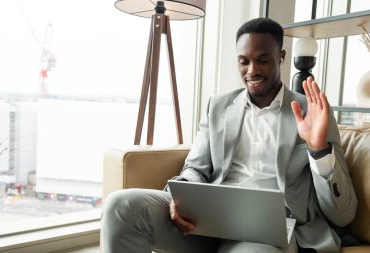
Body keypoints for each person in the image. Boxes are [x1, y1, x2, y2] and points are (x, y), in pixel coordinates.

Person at [101, 18, 358, 253]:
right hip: (207, 221)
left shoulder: (312, 114)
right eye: (244, 60)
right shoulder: (219, 106)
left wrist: (318, 149)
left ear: (281, 56)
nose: (252, 70)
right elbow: (195, 168)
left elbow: (343, 214)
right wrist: (182, 195)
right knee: (120, 206)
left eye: (263, 59)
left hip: (267, 233)